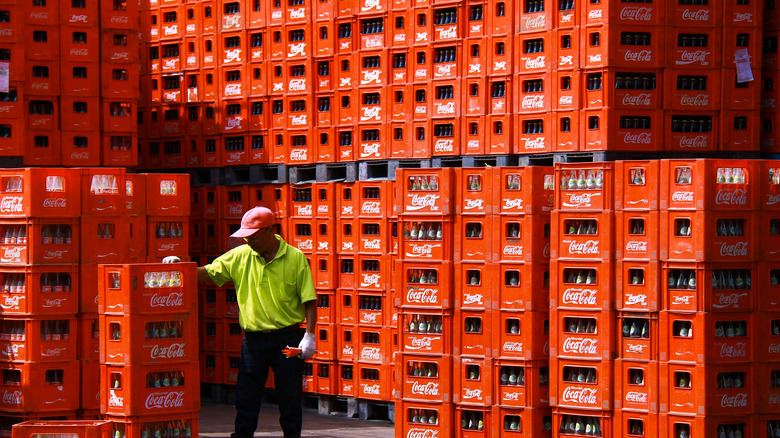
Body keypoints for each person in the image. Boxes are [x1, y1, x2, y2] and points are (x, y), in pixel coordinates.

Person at [164, 206, 317, 438]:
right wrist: (181, 269)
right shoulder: (240, 256)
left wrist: (310, 336)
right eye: (245, 236)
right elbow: (209, 273)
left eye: (253, 236)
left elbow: (309, 300)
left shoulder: (295, 258)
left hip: (289, 339)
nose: (248, 241)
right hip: (253, 340)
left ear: (271, 231)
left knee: (290, 396)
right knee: (246, 397)